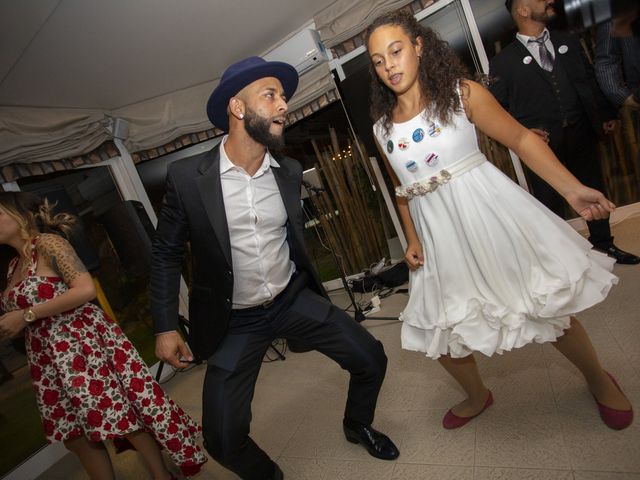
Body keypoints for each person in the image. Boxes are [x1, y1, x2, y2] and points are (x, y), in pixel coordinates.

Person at [364, 10, 633, 431]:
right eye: (378, 61)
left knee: (547, 306)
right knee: (443, 330)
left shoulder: (461, 93)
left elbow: (522, 139)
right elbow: (403, 189)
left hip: (489, 216)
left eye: (395, 51)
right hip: (440, 237)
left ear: (418, 46)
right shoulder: (382, 128)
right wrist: (413, 239)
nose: (389, 65)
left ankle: (599, 379)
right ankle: (477, 396)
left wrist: (571, 189)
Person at [150, 56, 399, 480]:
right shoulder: (188, 178)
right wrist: (165, 326)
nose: (284, 104)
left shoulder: (288, 171)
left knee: (371, 358)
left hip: (291, 299)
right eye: (271, 95)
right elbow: (165, 253)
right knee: (223, 439)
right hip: (234, 321)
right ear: (238, 107)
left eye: (283, 96)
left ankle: (357, 424)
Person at [0, 192, 206, 480]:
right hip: (49, 360)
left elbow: (84, 290)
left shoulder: (47, 244)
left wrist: (25, 315)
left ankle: (162, 476)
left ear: (20, 215)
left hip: (79, 346)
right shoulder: (12, 266)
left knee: (117, 417)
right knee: (76, 437)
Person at [489, 0, 639, 265]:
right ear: (523, 11)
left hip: (581, 130)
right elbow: (496, 110)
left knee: (593, 187)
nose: (549, 1)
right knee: (549, 203)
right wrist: (523, 132)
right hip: (542, 147)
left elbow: (590, 79)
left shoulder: (566, 38)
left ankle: (604, 245)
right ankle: (563, 260)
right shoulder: (503, 62)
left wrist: (606, 114)